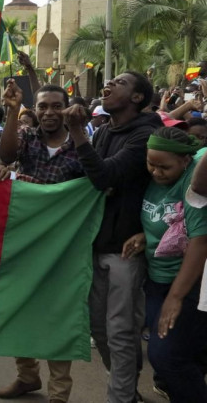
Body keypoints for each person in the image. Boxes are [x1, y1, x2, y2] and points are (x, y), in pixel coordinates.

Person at [62, 71, 161, 403]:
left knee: (120, 331)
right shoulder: (104, 132)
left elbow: (103, 177)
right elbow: (87, 174)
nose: (108, 85)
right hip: (96, 243)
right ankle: (127, 389)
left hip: (124, 250)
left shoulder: (145, 135)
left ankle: (120, 397)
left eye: (119, 83)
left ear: (136, 98)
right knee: (100, 330)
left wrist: (77, 132)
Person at [0, 80, 85, 403]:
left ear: (67, 109)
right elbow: (5, 155)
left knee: (58, 315)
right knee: (21, 310)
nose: (49, 113)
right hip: (26, 242)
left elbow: (96, 183)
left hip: (64, 247)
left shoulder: (82, 144)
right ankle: (27, 377)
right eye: (43, 106)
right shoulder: (28, 138)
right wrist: (12, 110)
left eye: (56, 106)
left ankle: (59, 392)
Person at [123, 127, 207, 402]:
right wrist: (145, 237)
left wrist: (176, 297)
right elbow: (166, 223)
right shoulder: (149, 178)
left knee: (165, 356)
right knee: (183, 354)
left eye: (165, 167)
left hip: (186, 284)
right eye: (151, 163)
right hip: (156, 280)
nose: (156, 172)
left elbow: (200, 242)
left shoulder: (193, 182)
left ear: (185, 162)